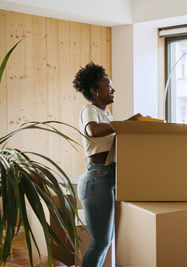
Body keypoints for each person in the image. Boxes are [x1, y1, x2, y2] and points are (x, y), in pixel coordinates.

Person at [73, 62, 139, 267]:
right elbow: (92, 130)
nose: (113, 90)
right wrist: (124, 124)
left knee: (105, 241)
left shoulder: (106, 114)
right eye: (108, 86)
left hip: (108, 177)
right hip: (96, 179)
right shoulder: (89, 110)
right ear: (95, 91)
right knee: (100, 242)